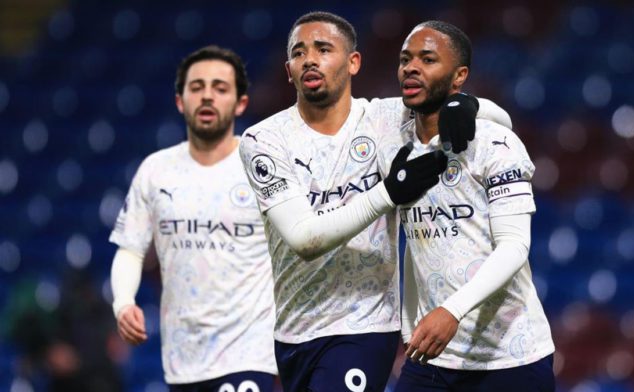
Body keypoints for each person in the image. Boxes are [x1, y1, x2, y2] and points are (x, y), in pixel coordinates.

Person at [239, 11, 512, 392]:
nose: (310, 59)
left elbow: (499, 122)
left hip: (366, 324)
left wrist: (466, 105)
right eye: (299, 53)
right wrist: (387, 194)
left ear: (353, 62)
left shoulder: (385, 118)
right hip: (293, 329)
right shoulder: (262, 140)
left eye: (323, 49)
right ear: (288, 70)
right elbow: (304, 240)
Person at [377, 21, 555, 391]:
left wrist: (452, 311)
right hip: (431, 355)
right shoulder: (390, 140)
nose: (411, 67)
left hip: (510, 354)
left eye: (427, 59)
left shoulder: (496, 144)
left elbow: (515, 245)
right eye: (405, 59)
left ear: (459, 77)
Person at [109, 45, 277, 391]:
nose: (207, 97)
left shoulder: (265, 166)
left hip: (250, 353)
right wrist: (124, 303)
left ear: (240, 102)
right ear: (180, 101)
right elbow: (130, 249)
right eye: (197, 87)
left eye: (220, 88)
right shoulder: (156, 170)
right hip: (182, 360)